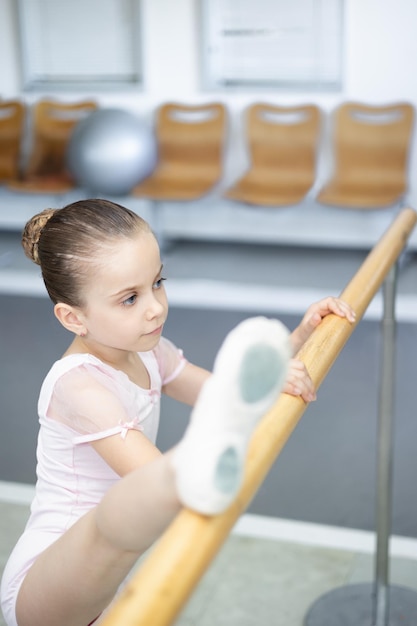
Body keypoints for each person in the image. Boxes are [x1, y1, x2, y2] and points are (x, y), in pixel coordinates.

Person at [0, 199, 355, 626]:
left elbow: (228, 393)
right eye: (130, 298)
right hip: (51, 578)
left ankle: (199, 450)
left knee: (123, 528)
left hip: (111, 577)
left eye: (158, 282)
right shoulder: (78, 386)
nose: (155, 307)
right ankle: (196, 452)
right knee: (110, 521)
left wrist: (296, 341)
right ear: (73, 318)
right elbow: (152, 479)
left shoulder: (151, 353)